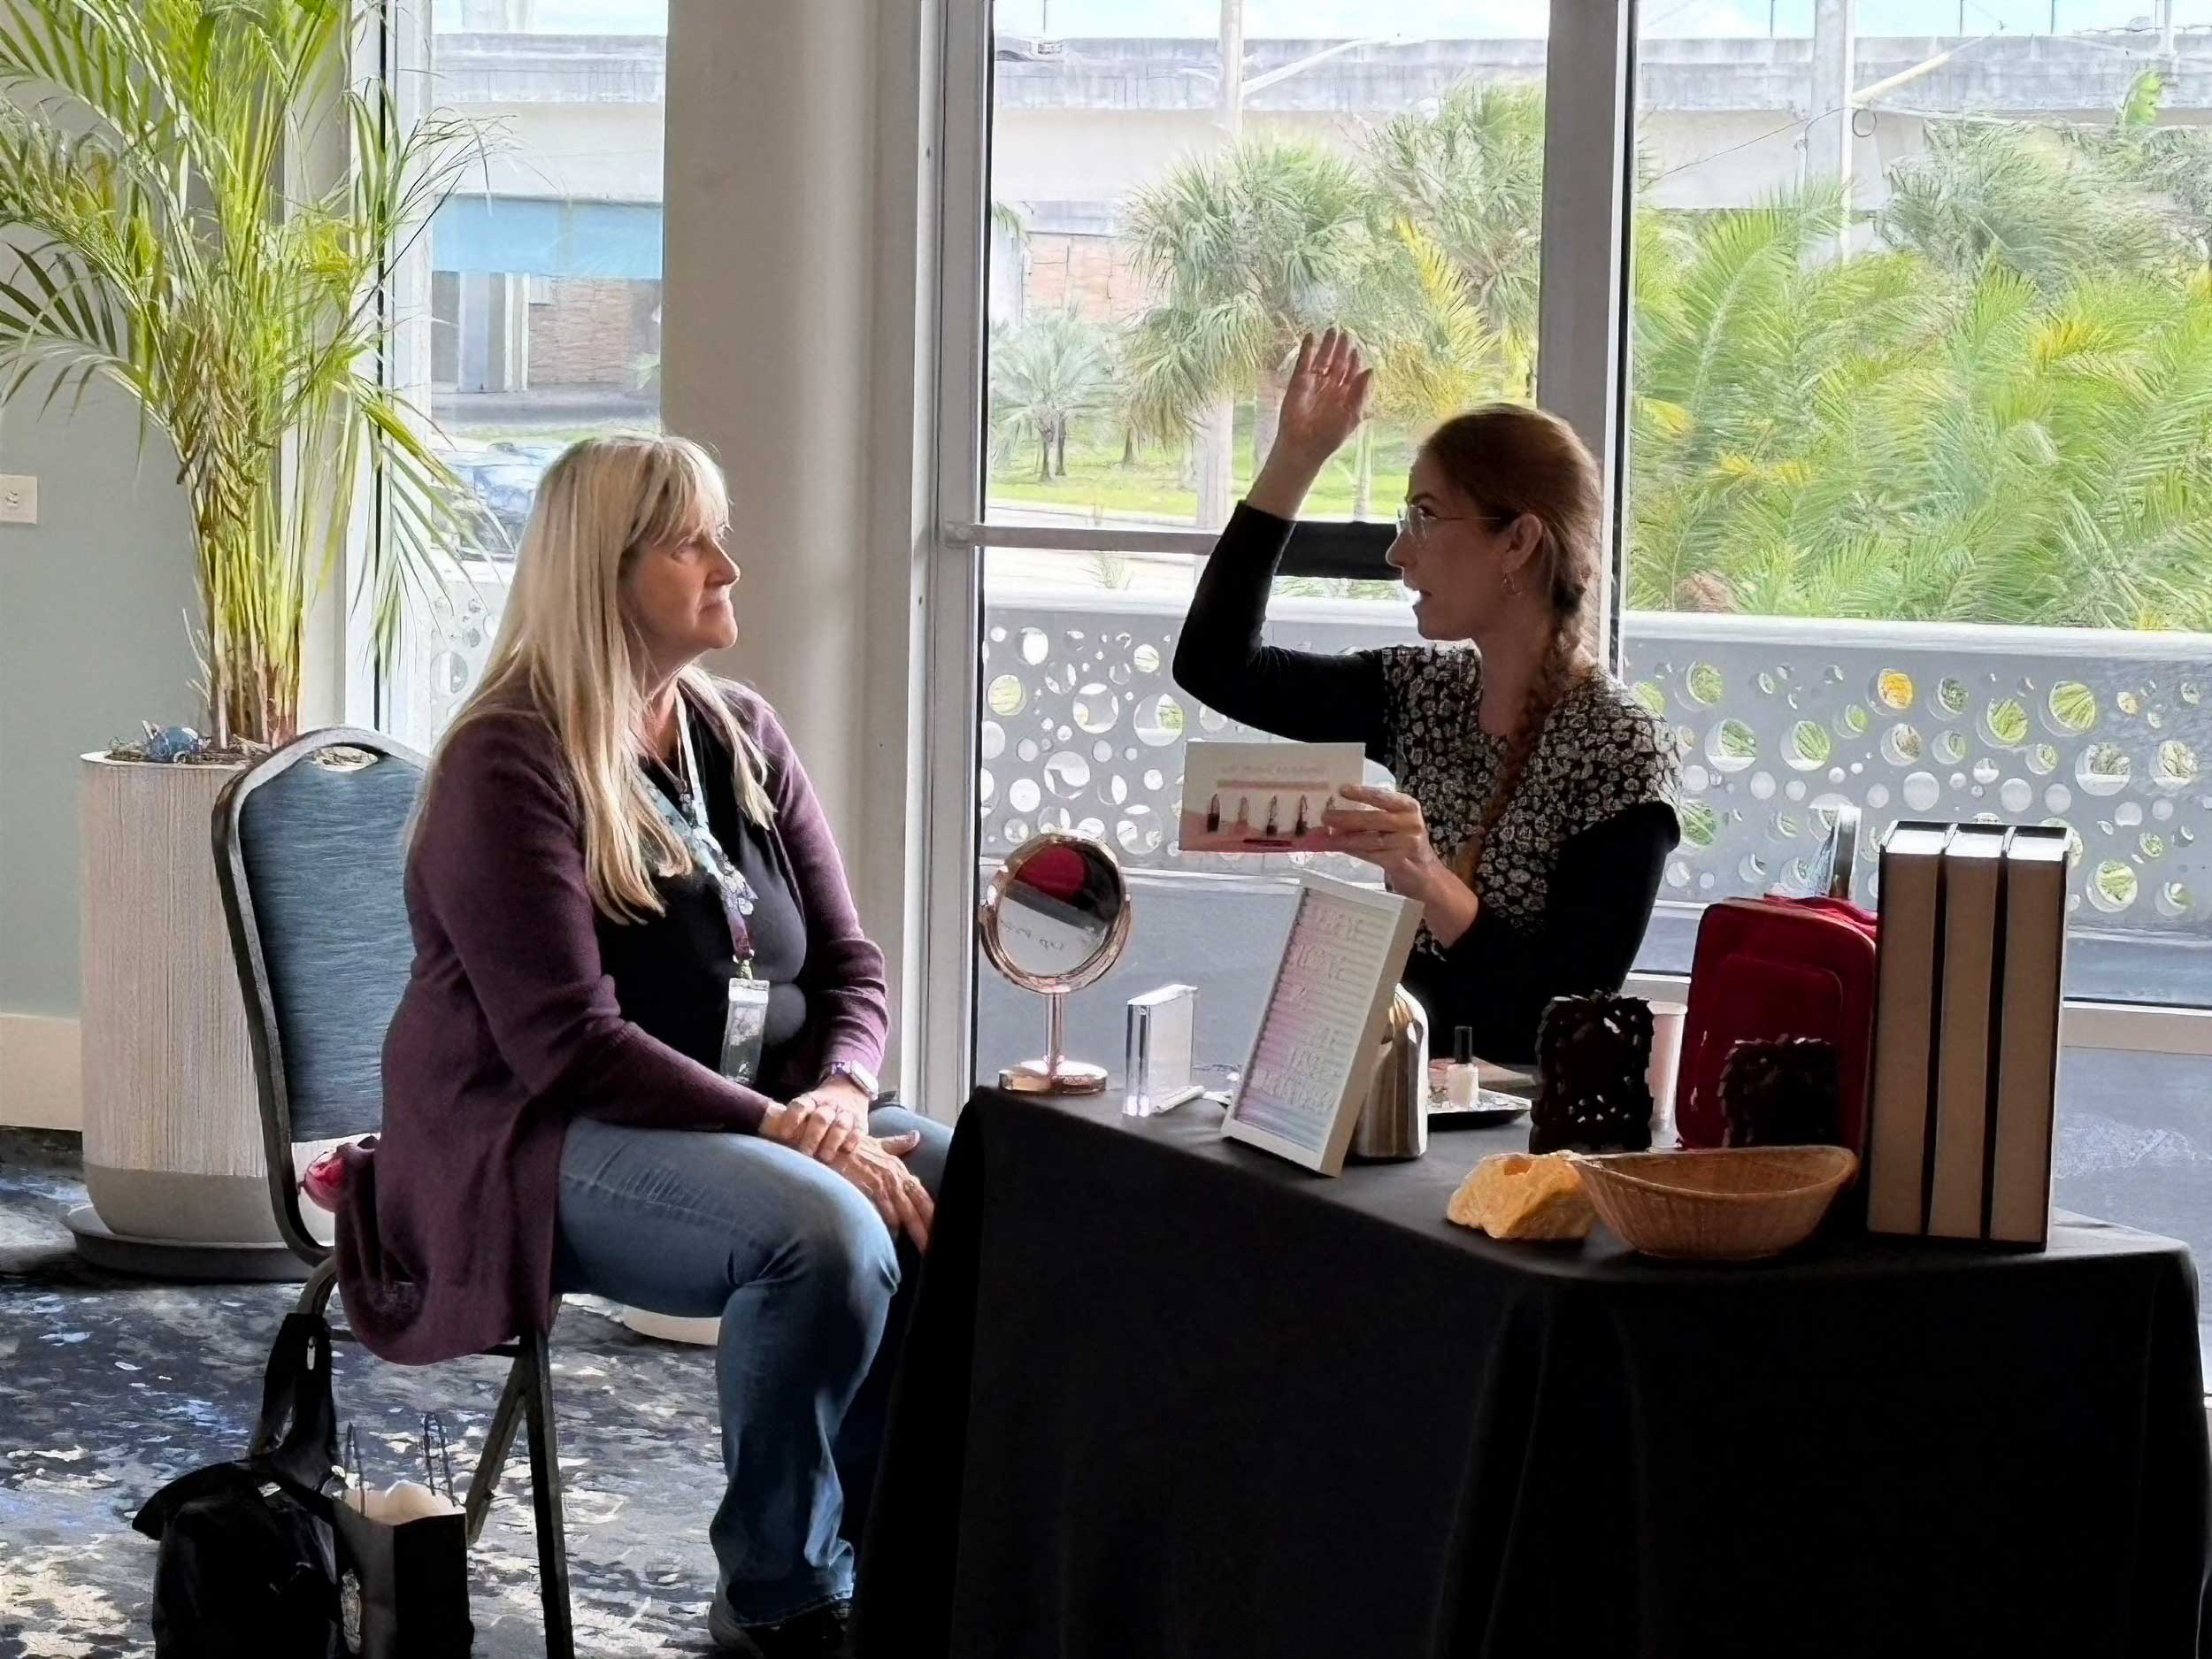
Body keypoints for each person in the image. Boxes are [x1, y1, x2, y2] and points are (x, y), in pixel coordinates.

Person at [342, 434, 946, 1658]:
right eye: (690, 541)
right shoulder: (506, 759)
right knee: (820, 1232)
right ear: (603, 572)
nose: (728, 563)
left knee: (963, 1183)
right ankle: (778, 1594)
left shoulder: (740, 733)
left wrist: (837, 1087)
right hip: (531, 1134)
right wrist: (790, 1128)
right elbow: (567, 1043)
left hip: (739, 1111)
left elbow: (848, 966)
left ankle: (892, 1555)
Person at [1173, 330, 1680, 1066]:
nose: (1397, 552)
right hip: (1394, 1096)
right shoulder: (1424, 692)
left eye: (1424, 517)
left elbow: (1567, 1015)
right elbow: (1215, 665)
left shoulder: (1619, 750)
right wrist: (1295, 460)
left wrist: (1428, 881)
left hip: (1510, 1143)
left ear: (1518, 542)